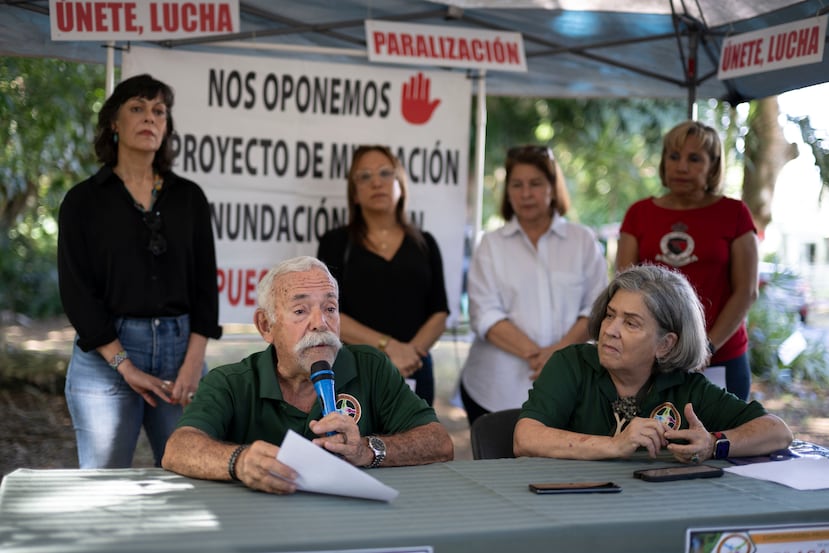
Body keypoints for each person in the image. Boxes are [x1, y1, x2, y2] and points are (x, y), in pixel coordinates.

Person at [162, 256, 453, 494]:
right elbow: (178, 449)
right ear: (266, 326)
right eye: (300, 310)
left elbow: (438, 442)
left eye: (330, 308)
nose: (320, 323)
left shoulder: (370, 366)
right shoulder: (230, 382)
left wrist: (367, 450)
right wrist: (239, 461)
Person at [57, 74, 222, 468]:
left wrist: (193, 363)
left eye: (159, 111)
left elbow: (205, 287)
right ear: (113, 122)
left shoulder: (189, 197)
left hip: (180, 354)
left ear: (166, 127)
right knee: (105, 487)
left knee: (196, 476)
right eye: (137, 108)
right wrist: (124, 365)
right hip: (106, 359)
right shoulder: (83, 201)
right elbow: (77, 294)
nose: (150, 117)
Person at [514, 264, 793, 463]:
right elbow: (525, 438)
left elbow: (777, 431)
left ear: (665, 344)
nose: (610, 330)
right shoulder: (571, 364)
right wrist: (614, 445)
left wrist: (714, 444)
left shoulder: (686, 386)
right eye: (610, 316)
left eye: (631, 323)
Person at [459, 145, 608, 425]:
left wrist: (558, 355)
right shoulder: (491, 244)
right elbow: (484, 313)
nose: (526, 193)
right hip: (493, 392)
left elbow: (598, 309)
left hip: (569, 390)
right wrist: (542, 356)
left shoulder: (583, 241)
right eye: (517, 185)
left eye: (536, 184)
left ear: (553, 187)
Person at [616, 120, 758, 400]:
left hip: (720, 358)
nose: (681, 167)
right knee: (652, 441)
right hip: (652, 358)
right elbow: (625, 288)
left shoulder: (735, 213)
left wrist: (705, 347)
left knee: (720, 440)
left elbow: (746, 292)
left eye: (694, 159)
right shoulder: (639, 213)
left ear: (713, 166)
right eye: (674, 156)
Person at [316, 145, 449, 405]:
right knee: (353, 443)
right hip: (354, 368)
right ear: (354, 193)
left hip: (416, 367)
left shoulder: (425, 243)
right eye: (364, 176)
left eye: (385, 173)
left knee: (415, 442)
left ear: (400, 185)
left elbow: (439, 313)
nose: (376, 182)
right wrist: (388, 348)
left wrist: (409, 356)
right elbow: (327, 310)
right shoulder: (335, 243)